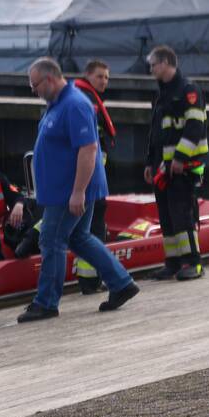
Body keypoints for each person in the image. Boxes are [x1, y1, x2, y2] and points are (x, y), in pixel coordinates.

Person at [17, 57, 140, 323]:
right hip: (64, 189)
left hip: (70, 191)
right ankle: (121, 283)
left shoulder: (75, 104)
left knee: (51, 240)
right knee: (79, 238)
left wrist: (78, 192)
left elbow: (88, 149)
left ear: (49, 79)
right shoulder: (56, 104)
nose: (34, 91)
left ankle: (46, 302)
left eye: (35, 85)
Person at [144, 45, 209, 281]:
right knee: (167, 215)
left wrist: (181, 158)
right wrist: (150, 162)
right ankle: (172, 263)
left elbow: (195, 126)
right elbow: (155, 133)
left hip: (184, 166)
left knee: (183, 213)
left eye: (153, 65)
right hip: (163, 166)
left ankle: (194, 262)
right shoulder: (161, 95)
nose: (151, 70)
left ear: (166, 63)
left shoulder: (188, 91)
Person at [72, 59, 117, 294]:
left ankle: (90, 279)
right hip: (90, 181)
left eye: (107, 77)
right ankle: (91, 280)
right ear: (88, 75)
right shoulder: (86, 101)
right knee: (92, 228)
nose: (104, 81)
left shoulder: (87, 98)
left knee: (89, 227)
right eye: (100, 76)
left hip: (93, 177)